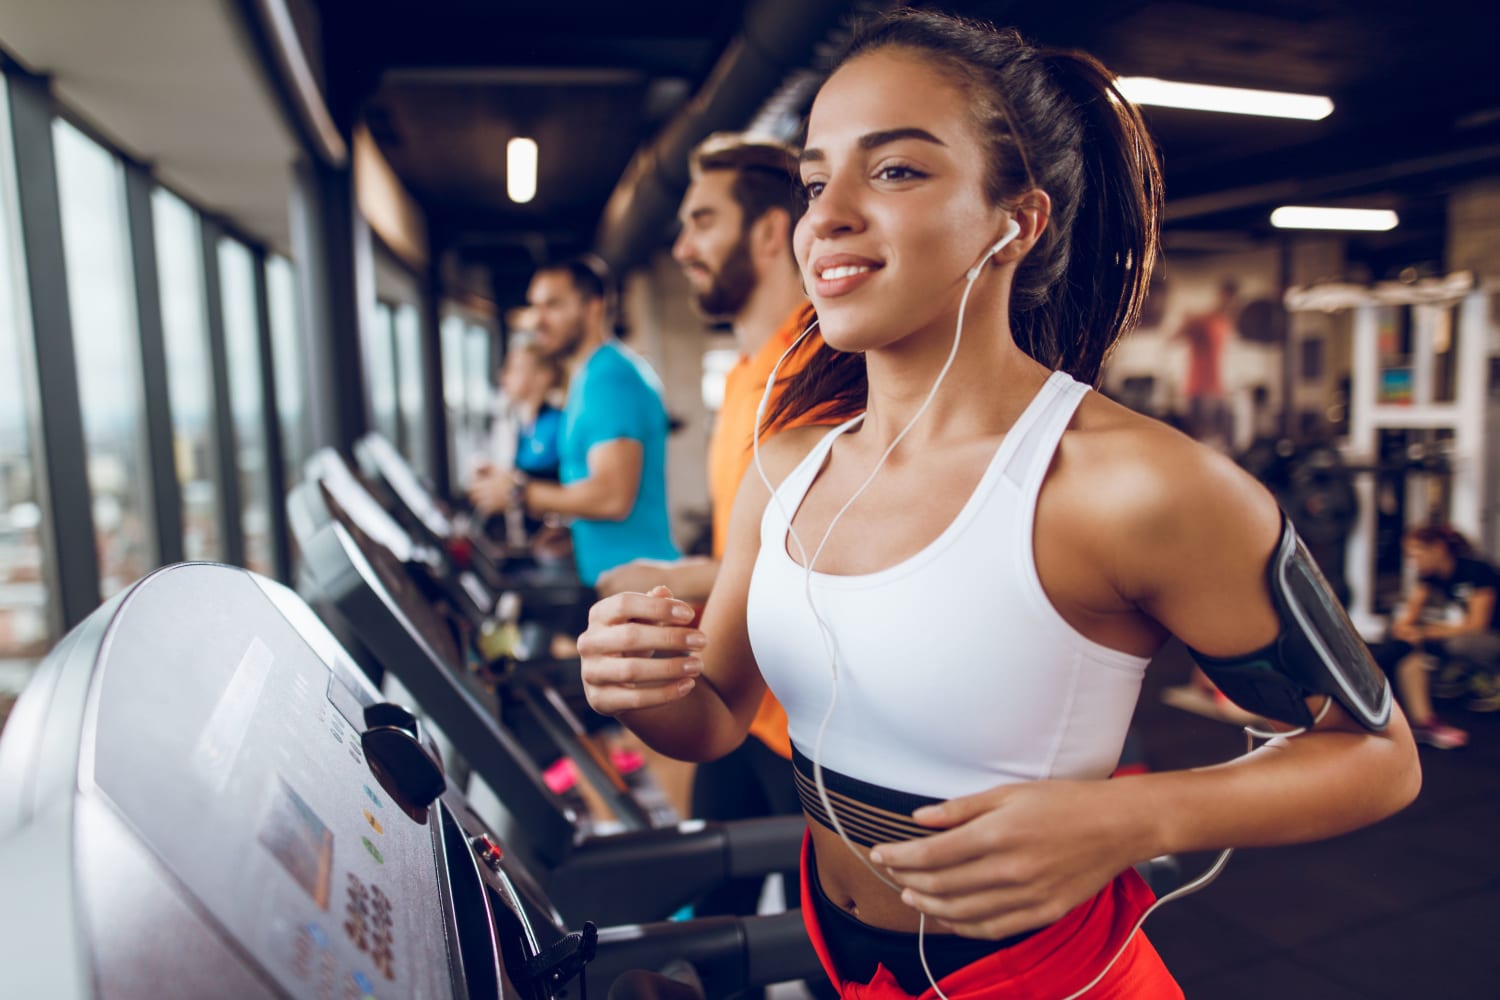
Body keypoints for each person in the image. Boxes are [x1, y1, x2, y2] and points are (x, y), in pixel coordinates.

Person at [577, 9, 1420, 999]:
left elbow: (1376, 754)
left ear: (1016, 220)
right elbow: (717, 715)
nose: (828, 215)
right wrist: (644, 685)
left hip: (1049, 977)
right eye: (815, 180)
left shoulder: (1129, 485)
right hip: (847, 961)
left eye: (893, 170)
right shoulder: (787, 464)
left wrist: (1132, 820)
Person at [596, 134, 829, 935]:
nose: (683, 246)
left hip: (806, 724)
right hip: (743, 701)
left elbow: (821, 558)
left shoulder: (821, 375)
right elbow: (758, 545)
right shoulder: (743, 372)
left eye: (702, 221)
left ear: (769, 233)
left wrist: (682, 580)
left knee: (826, 950)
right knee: (709, 921)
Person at [469, 256, 679, 587]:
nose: (538, 320)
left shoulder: (608, 378)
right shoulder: (587, 377)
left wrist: (518, 494)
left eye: (552, 305)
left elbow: (613, 497)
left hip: (637, 585)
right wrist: (574, 528)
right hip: (615, 577)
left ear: (594, 307)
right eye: (535, 306)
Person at [1373, 524, 1500, 749]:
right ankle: (1422, 719)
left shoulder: (1477, 570)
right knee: (1404, 641)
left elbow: (1476, 625)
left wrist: (1423, 632)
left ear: (1438, 549)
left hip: (1490, 638)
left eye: (1417, 553)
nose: (1414, 560)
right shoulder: (1429, 575)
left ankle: (1486, 678)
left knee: (1456, 643)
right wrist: (1404, 629)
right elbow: (1409, 616)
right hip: (1468, 633)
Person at [1173, 278, 1238, 447]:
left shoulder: (1225, 322)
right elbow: (1174, 337)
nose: (1231, 302)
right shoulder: (1203, 321)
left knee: (1219, 438)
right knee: (1200, 439)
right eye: (1228, 297)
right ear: (1222, 296)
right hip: (1199, 388)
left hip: (1216, 388)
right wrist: (1187, 321)